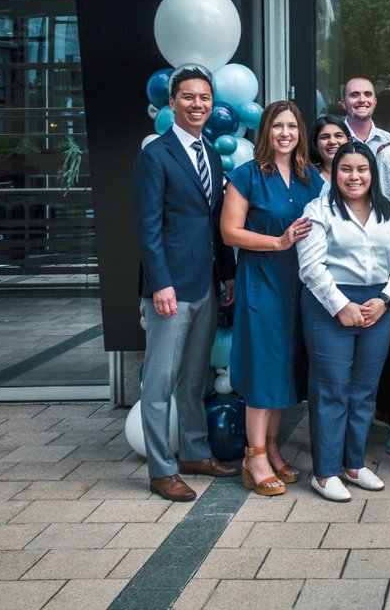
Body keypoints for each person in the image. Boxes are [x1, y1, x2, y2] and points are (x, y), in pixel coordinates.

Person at [132, 65, 240, 501]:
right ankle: (161, 470)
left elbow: (216, 222)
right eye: (189, 97)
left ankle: (194, 452)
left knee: (192, 380)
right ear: (172, 102)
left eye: (205, 98)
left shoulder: (210, 153)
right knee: (158, 385)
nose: (198, 105)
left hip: (207, 285)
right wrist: (160, 284)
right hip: (170, 290)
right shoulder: (154, 155)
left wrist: (228, 272)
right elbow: (148, 227)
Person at [297, 141, 390, 502]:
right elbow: (311, 267)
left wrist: (385, 299)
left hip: (379, 305)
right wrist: (341, 306)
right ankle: (325, 472)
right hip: (329, 303)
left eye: (362, 169)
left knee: (365, 390)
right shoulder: (318, 210)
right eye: (346, 169)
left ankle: (353, 464)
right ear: (335, 173)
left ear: (372, 173)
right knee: (331, 389)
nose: (354, 176)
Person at [221, 100, 324, 496]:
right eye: (277, 126)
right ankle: (255, 455)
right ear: (265, 132)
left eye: (292, 127)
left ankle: (274, 448)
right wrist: (277, 242)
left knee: (285, 369)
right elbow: (230, 232)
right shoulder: (247, 175)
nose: (285, 133)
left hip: (299, 285)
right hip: (263, 281)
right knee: (265, 368)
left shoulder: (309, 177)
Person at [342, 77, 390, 153]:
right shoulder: (332, 143)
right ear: (343, 103)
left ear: (375, 102)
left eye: (368, 94)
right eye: (355, 95)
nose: (362, 100)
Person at [311, 115, 351, 186]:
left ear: (348, 140)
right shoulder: (307, 177)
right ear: (315, 143)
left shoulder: (359, 174)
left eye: (338, 136)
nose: (332, 141)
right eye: (325, 137)